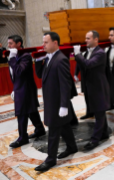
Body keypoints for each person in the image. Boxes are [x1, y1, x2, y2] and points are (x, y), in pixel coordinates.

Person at [34, 32, 78, 172]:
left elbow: (65, 84)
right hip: (51, 101)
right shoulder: (49, 58)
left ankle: (50, 159)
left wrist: (64, 105)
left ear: (55, 43)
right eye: (43, 42)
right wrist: (37, 62)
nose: (43, 45)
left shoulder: (61, 59)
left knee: (53, 130)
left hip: (58, 103)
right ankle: (72, 147)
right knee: (64, 125)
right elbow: (41, 76)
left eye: (46, 42)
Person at [74, 30, 110, 151]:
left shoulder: (100, 53)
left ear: (96, 39)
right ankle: (104, 133)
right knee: (99, 112)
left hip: (99, 88)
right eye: (86, 38)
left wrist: (77, 55)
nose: (86, 40)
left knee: (99, 114)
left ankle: (95, 140)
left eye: (88, 38)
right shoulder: (89, 52)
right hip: (92, 87)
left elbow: (88, 64)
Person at [7, 35, 45, 148]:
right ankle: (40, 129)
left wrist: (12, 58)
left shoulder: (25, 56)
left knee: (22, 112)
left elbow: (19, 71)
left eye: (11, 43)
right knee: (31, 110)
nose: (8, 46)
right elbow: (14, 75)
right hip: (19, 87)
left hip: (26, 88)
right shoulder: (13, 55)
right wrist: (14, 88)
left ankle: (23, 137)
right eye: (8, 43)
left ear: (19, 44)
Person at [74, 53, 94, 120]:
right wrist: (76, 73)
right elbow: (78, 63)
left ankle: (95, 112)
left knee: (93, 97)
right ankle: (89, 112)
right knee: (86, 96)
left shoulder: (91, 53)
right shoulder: (81, 53)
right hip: (84, 77)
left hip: (92, 78)